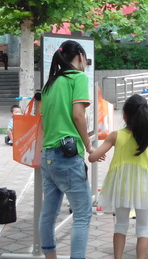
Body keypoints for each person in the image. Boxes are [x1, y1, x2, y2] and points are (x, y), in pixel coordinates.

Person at [39, 40, 94, 259]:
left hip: (48, 155)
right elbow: (78, 115)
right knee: (82, 214)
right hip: (68, 156)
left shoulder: (50, 83)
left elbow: (43, 122)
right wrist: (89, 146)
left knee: (48, 213)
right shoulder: (77, 78)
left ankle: (49, 257)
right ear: (80, 56)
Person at [88, 94, 148, 259]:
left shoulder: (116, 135)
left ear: (125, 115)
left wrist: (92, 151)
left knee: (120, 225)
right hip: (144, 186)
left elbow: (92, 158)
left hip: (122, 186)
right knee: (143, 228)